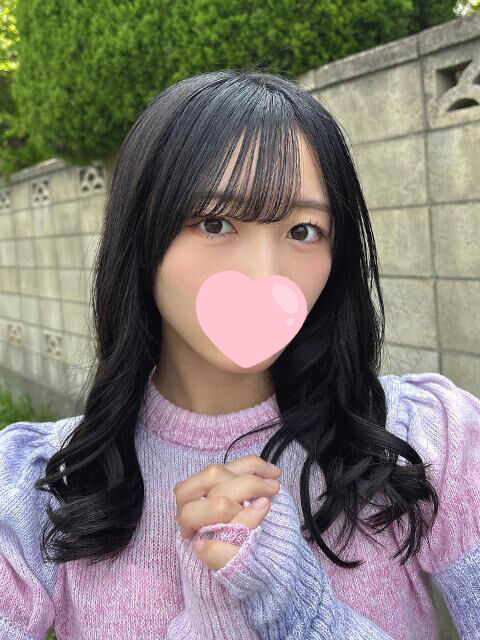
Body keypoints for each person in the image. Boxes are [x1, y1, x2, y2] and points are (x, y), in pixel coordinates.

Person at [1, 69, 479, 640]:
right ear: (142, 236)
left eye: (304, 231)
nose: (264, 274)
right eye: (216, 222)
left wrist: (295, 606)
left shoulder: (428, 439)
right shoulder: (39, 489)